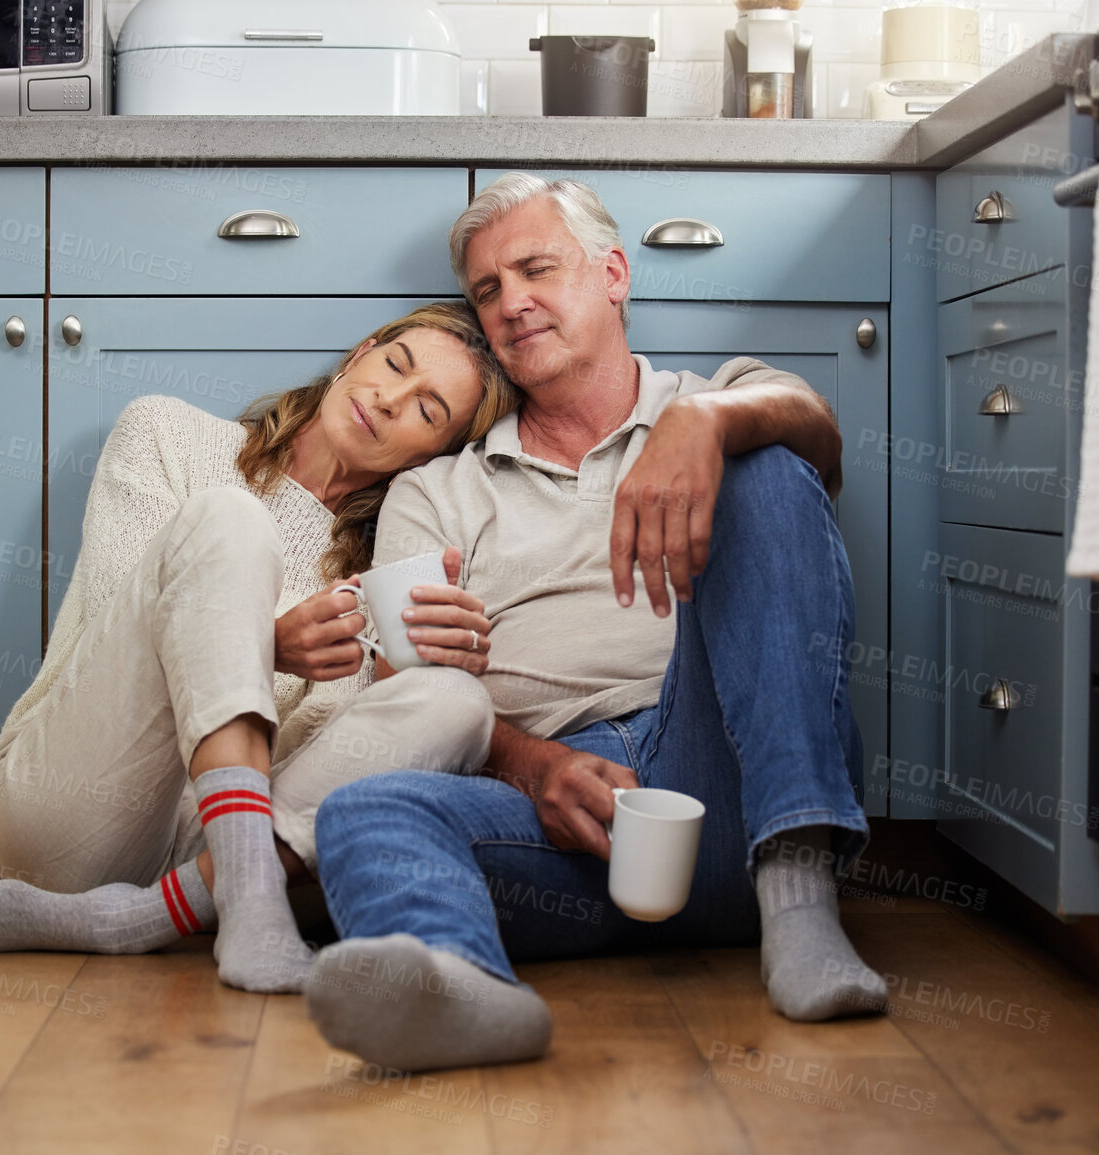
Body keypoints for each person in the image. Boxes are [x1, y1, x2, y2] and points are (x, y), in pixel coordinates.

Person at [303, 175, 889, 1071]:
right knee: (359, 810)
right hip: (561, 817)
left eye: (536, 268)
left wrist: (703, 421)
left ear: (613, 273)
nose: (510, 303)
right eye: (487, 289)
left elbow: (817, 430)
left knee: (770, 467)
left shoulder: (709, 400)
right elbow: (407, 691)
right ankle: (465, 989)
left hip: (724, 777)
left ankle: (798, 891)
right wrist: (531, 764)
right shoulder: (437, 489)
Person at [0, 302, 516, 993]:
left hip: (220, 853)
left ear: (433, 456)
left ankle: (146, 916)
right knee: (230, 520)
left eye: (427, 412)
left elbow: (315, 761)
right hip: (74, 803)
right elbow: (120, 620)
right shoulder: (169, 432)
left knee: (458, 702)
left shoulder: (382, 570)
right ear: (361, 351)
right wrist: (272, 645)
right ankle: (234, 903)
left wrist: (396, 669)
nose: (389, 401)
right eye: (394, 365)